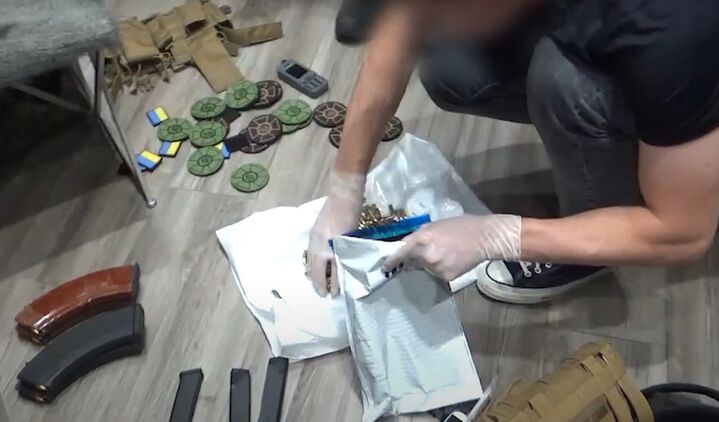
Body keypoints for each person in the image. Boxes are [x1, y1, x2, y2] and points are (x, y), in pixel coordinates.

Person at [306, 0, 719, 304]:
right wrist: (345, 187)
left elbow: (683, 234)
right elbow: (404, 28)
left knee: (563, 83)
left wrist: (501, 236)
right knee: (450, 68)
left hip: (688, 66)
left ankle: (593, 240)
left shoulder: (670, 28)